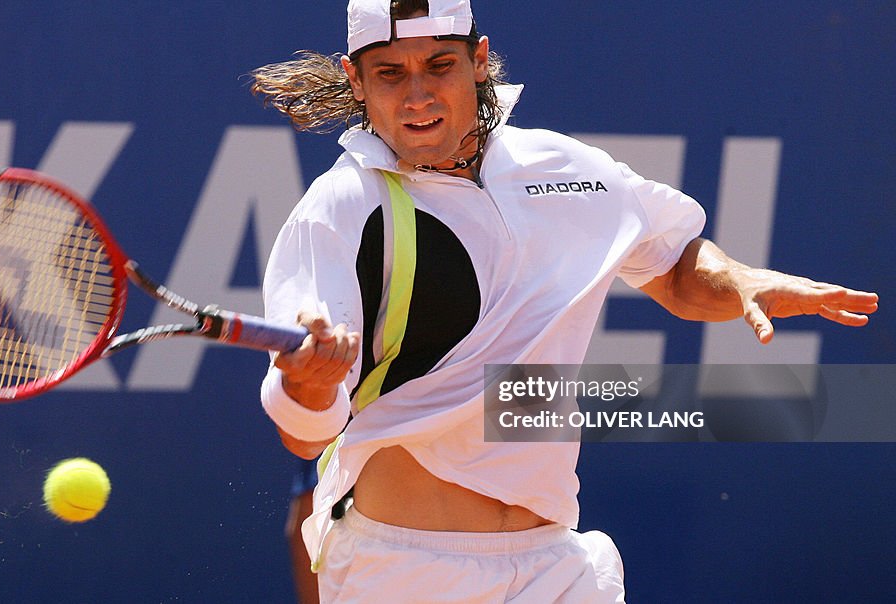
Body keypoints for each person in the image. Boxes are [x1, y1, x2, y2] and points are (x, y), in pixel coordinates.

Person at [251, 1, 879, 601]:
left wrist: (739, 279)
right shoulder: (338, 210)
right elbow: (306, 436)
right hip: (407, 571)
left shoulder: (567, 167)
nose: (417, 95)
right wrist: (309, 385)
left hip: (555, 565)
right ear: (355, 80)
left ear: (479, 60)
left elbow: (676, 265)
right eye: (390, 73)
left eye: (439, 65)